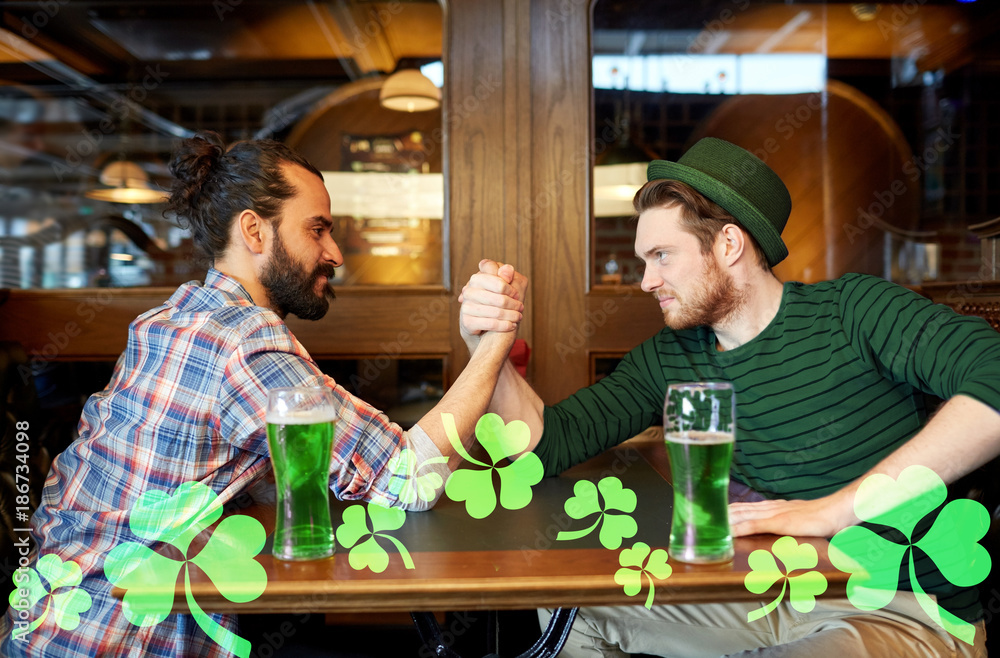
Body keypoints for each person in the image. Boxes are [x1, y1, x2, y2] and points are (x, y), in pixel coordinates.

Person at [458, 137, 1000, 657]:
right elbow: (544, 446)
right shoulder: (670, 358)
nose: (646, 281)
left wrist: (833, 511)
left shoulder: (855, 311)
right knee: (566, 612)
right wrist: (490, 350)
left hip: (903, 607)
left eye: (663, 255)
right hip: (774, 594)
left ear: (730, 244)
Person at [0, 131, 521, 656]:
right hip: (116, 642)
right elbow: (409, 479)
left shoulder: (169, 319)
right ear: (254, 230)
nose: (334, 253)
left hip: (42, 625)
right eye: (317, 230)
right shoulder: (244, 341)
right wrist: (492, 345)